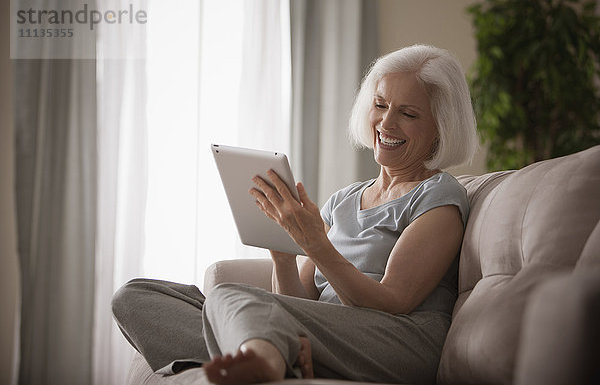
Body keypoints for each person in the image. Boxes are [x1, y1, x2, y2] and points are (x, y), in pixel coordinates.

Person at [112, 44, 478, 385]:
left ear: (440, 129)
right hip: (332, 335)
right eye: (380, 105)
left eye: (408, 113)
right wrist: (284, 255)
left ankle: (265, 361)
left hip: (397, 340)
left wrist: (316, 246)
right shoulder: (345, 200)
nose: (386, 123)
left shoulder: (439, 197)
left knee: (230, 297)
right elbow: (300, 303)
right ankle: (270, 355)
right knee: (136, 296)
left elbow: (395, 301)